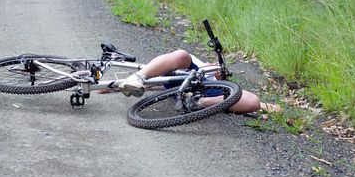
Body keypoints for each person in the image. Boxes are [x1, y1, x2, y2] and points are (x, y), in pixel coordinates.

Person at [118, 49, 280, 113]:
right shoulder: (199, 63)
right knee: (181, 55)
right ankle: (138, 77)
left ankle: (197, 102)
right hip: (185, 71)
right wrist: (117, 85)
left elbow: (254, 103)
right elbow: (157, 82)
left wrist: (264, 106)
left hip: (208, 91)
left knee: (253, 101)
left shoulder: (223, 85)